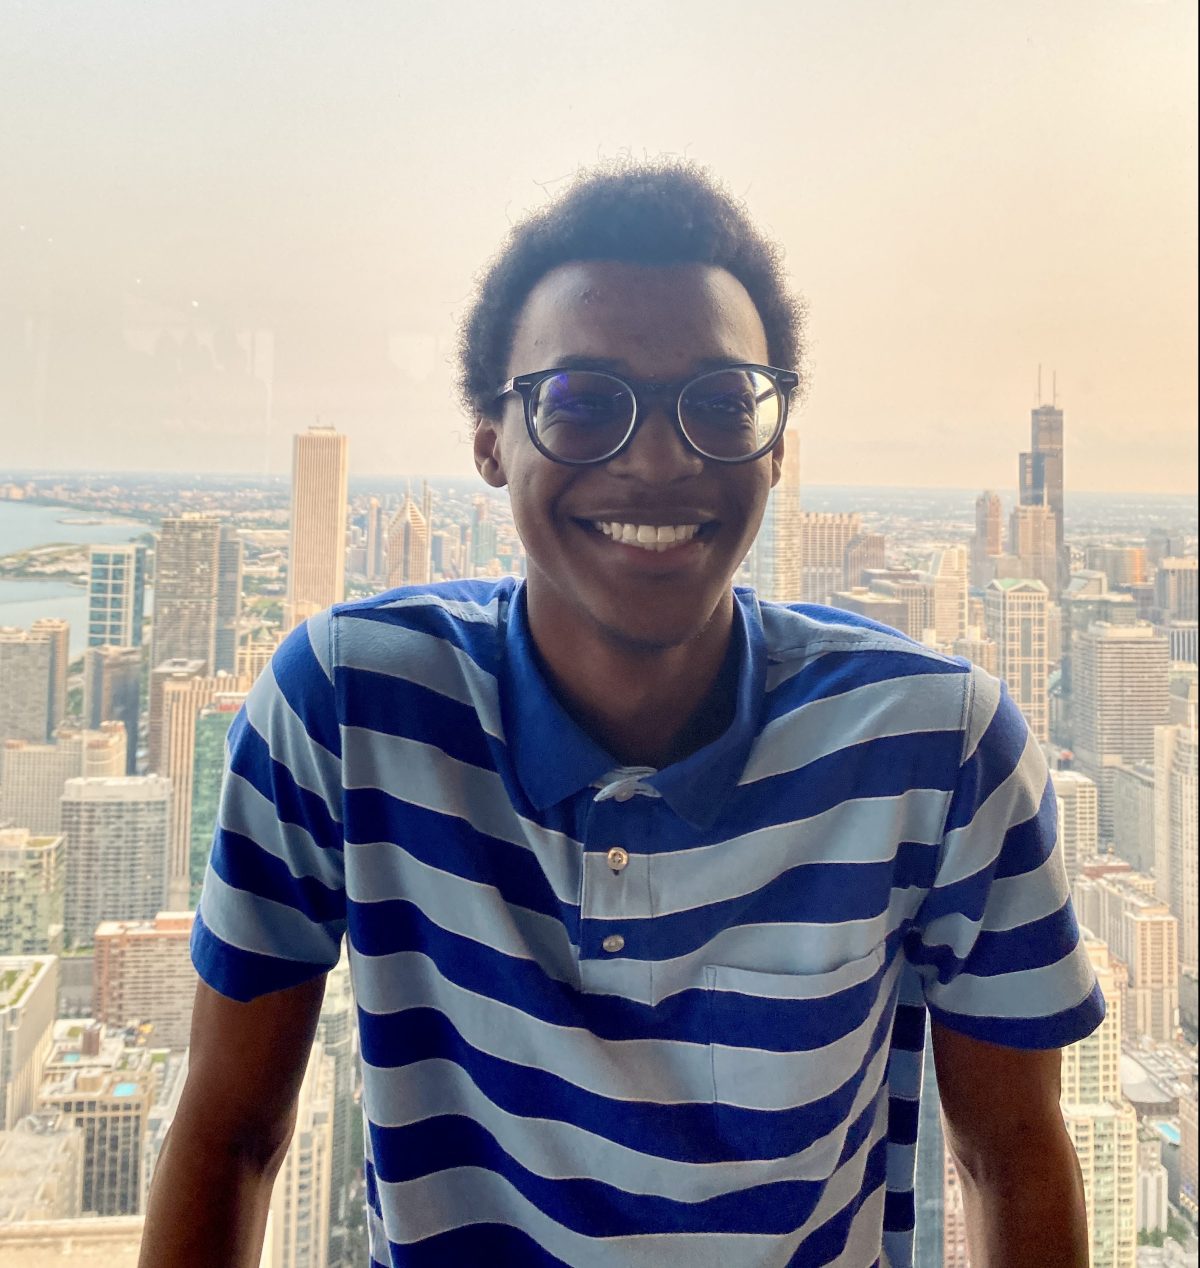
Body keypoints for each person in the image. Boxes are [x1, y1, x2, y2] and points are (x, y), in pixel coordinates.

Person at [140, 161, 1103, 1268]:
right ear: (490, 440)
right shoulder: (348, 707)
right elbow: (229, 1135)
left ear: (775, 444)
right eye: (585, 401)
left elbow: (1012, 1156)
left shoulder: (939, 748)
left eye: (720, 401)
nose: (658, 458)